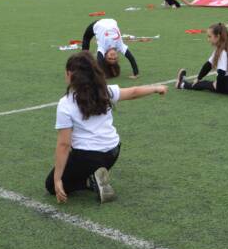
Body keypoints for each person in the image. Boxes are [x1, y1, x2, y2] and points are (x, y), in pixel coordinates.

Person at [46, 52, 167, 204]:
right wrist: (156, 88)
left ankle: (91, 179)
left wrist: (57, 179)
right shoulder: (105, 90)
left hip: (88, 157)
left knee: (50, 185)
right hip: (113, 152)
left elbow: (64, 145)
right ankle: (94, 174)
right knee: (78, 165)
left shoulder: (66, 103)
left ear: (70, 74)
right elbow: (133, 92)